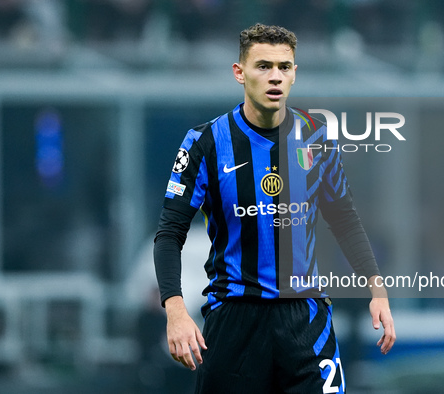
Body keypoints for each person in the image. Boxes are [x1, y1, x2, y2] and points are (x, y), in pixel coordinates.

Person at [153, 23, 396, 393]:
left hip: (305, 319)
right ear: (240, 73)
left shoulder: (317, 137)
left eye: (284, 67)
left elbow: (344, 220)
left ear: (295, 73)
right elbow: (170, 233)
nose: (275, 77)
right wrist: (174, 310)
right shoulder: (205, 143)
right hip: (235, 320)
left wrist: (377, 289)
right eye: (263, 66)